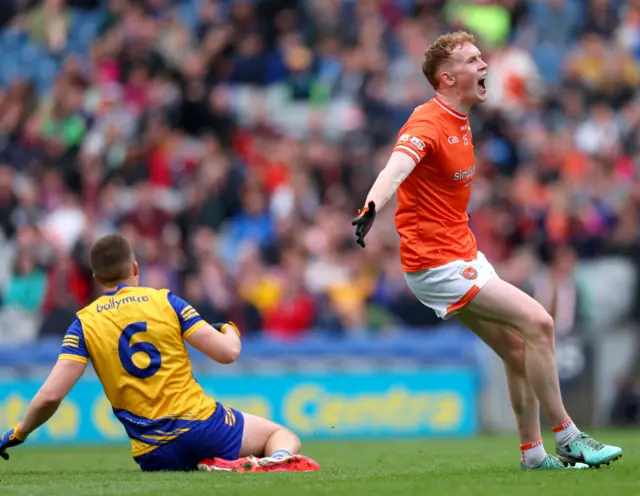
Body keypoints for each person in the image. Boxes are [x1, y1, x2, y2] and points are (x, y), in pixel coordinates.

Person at [351, 31, 622, 470]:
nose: (484, 66)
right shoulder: (427, 122)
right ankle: (569, 438)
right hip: (437, 262)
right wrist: (370, 206)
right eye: (473, 60)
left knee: (517, 349)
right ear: (446, 78)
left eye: (482, 58)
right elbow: (395, 168)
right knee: (539, 321)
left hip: (461, 252)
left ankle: (533, 456)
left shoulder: (461, 118)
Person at [0, 234, 320, 473]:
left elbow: (50, 395)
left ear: (97, 279)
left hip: (153, 452)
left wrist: (19, 432)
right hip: (202, 427)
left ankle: (218, 464)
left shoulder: (84, 323)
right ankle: (274, 461)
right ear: (135, 268)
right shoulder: (166, 302)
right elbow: (227, 354)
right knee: (282, 434)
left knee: (194, 459)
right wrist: (230, 328)